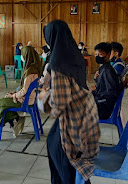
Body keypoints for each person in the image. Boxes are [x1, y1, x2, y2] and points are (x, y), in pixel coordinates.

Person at [39, 20, 100, 184]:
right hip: (84, 117)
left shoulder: (58, 62)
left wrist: (43, 95)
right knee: (53, 139)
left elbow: (58, 105)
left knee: (58, 148)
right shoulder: (75, 55)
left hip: (73, 123)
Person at [0, 46, 42, 137]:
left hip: (26, 101)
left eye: (22, 54)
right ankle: (16, 121)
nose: (21, 56)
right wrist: (15, 94)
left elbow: (24, 91)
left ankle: (14, 123)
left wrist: (14, 96)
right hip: (31, 99)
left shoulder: (30, 72)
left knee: (0, 103)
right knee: (6, 100)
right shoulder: (34, 68)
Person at [91, 42, 123, 119]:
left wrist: (94, 97)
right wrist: (96, 80)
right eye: (96, 55)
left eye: (100, 55)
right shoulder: (104, 68)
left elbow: (111, 94)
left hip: (103, 109)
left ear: (108, 55)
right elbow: (104, 84)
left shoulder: (107, 70)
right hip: (102, 105)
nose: (97, 57)